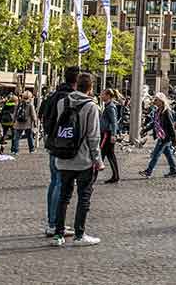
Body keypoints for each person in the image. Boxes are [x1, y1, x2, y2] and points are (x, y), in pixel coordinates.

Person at [49, 72, 103, 247]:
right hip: (83, 159)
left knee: (64, 197)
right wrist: (98, 160)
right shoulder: (91, 106)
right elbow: (93, 136)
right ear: (90, 88)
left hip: (63, 156)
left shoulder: (61, 102)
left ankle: (58, 234)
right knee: (83, 197)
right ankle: (80, 234)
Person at [40, 66, 80, 237]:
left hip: (52, 142)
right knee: (59, 182)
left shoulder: (53, 95)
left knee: (54, 181)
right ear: (76, 81)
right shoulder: (68, 98)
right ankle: (55, 223)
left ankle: (52, 221)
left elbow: (43, 115)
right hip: (61, 144)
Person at [139, 92, 176, 178]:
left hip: (165, 137)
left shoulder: (166, 111)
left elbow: (171, 126)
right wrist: (145, 130)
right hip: (161, 135)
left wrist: (174, 139)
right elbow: (154, 123)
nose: (154, 101)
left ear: (161, 101)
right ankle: (174, 170)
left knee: (155, 154)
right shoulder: (158, 111)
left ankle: (148, 171)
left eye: (156, 100)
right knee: (168, 154)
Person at [98, 89, 121, 184]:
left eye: (102, 94)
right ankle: (115, 176)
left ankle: (92, 176)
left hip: (107, 134)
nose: (100, 96)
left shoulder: (110, 107)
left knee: (101, 154)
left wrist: (113, 135)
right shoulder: (108, 106)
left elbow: (114, 122)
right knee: (110, 155)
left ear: (108, 96)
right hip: (107, 133)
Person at [10, 91, 38, 155]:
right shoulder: (30, 104)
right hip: (28, 123)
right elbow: (33, 114)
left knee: (17, 137)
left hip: (18, 123)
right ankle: (31, 149)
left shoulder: (18, 103)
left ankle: (15, 150)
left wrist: (13, 121)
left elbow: (15, 113)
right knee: (29, 137)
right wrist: (35, 122)